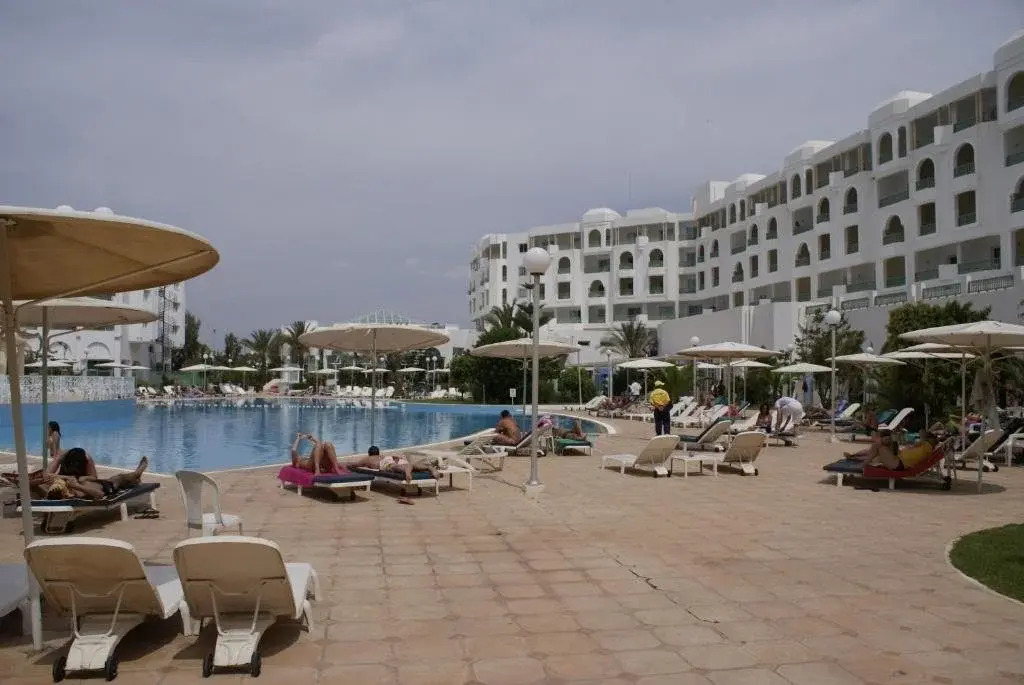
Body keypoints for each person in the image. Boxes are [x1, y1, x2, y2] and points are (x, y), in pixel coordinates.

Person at [40, 455, 150, 501]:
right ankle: (138, 473)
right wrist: (77, 486)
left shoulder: (67, 486)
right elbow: (100, 495)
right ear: (63, 493)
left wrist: (57, 477)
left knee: (83, 479)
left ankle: (136, 478)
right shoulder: (75, 494)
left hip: (98, 482)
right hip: (107, 487)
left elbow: (71, 478)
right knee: (119, 478)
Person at [845, 427, 942, 471]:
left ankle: (862, 463)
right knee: (880, 447)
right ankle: (857, 459)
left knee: (878, 446)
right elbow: (923, 434)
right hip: (898, 458)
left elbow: (923, 432)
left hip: (898, 463)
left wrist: (933, 435)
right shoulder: (925, 446)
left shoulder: (927, 446)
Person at [349, 446, 443, 481]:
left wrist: (348, 466)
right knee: (412, 465)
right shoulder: (382, 456)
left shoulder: (369, 458)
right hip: (393, 458)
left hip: (388, 463)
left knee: (395, 467)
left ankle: (407, 471)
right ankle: (429, 467)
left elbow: (355, 465)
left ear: (369, 453)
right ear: (378, 452)